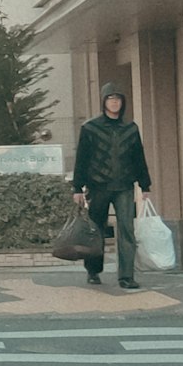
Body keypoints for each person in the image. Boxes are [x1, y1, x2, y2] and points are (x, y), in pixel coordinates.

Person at [71, 86, 155, 290]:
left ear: (123, 102)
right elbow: (81, 159)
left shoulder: (131, 129)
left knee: (127, 230)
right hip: (97, 186)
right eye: (110, 99)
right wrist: (77, 188)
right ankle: (93, 270)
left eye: (118, 98)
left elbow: (138, 158)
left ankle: (126, 276)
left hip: (125, 187)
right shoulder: (90, 128)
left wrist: (145, 184)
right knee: (96, 230)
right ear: (104, 102)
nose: (114, 102)